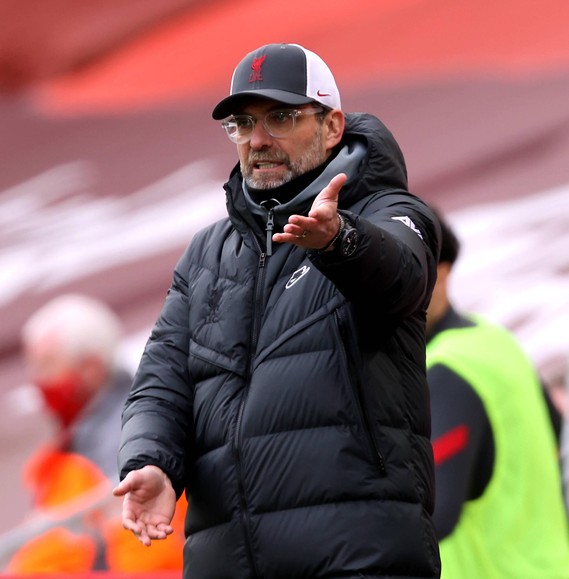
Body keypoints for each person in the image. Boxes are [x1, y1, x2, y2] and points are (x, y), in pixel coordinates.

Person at [113, 43, 442, 578]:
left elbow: (402, 279)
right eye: (243, 123)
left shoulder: (387, 211)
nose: (258, 140)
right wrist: (151, 460)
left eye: (281, 117)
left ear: (332, 125)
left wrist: (341, 242)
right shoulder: (207, 253)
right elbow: (161, 381)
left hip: (358, 559)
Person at [426, 214, 569, 578]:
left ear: (442, 272)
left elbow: (433, 518)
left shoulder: (445, 369)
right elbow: (555, 436)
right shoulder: (494, 340)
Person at [7, 293, 185, 573]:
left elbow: (147, 553)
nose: (38, 380)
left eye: (47, 364)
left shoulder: (130, 434)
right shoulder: (83, 443)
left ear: (90, 368)